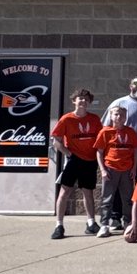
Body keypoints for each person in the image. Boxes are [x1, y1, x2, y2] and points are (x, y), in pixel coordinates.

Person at [50, 88, 103, 238]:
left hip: (90, 161)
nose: (83, 101)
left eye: (86, 99)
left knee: (88, 192)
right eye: (80, 98)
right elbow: (56, 142)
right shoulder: (66, 119)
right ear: (74, 101)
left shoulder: (94, 119)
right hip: (73, 161)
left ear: (89, 102)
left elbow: (101, 139)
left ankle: (91, 223)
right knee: (64, 192)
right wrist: (69, 154)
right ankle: (59, 225)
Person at [94, 105, 137, 237]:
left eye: (121, 115)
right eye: (116, 114)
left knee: (127, 199)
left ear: (125, 117)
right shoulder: (105, 132)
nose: (118, 117)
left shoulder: (131, 132)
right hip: (110, 170)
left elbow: (135, 151)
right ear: (111, 116)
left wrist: (134, 168)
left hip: (127, 170)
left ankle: (127, 223)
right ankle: (104, 225)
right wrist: (102, 170)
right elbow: (99, 152)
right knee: (107, 199)